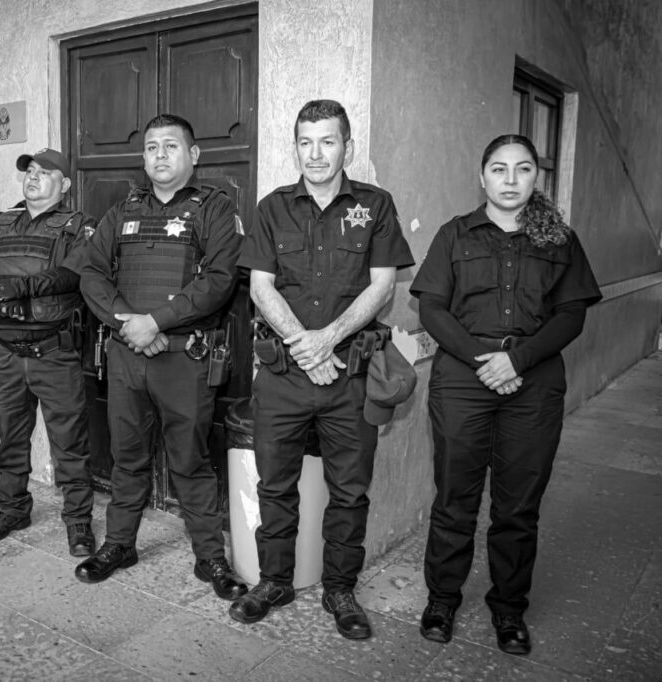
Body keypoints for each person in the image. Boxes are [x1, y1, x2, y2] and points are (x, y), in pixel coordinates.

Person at [410, 134, 601, 655]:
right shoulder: (454, 235)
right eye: (499, 169)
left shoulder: (559, 239)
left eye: (522, 169)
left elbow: (572, 314)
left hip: (533, 383)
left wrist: (517, 360)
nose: (510, 179)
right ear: (482, 177)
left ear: (536, 176)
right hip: (463, 381)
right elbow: (431, 309)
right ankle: (442, 600)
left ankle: (509, 608)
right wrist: (485, 360)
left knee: (518, 505)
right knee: (455, 498)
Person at [231, 100, 414, 638]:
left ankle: (340, 589)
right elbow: (260, 287)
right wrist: (305, 348)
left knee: (350, 491)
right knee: (275, 486)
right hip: (283, 378)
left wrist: (327, 340)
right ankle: (274, 581)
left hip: (350, 377)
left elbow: (383, 285)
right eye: (305, 142)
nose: (315, 153)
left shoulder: (375, 205)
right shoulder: (272, 208)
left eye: (327, 141)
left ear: (346, 147)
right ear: (295, 148)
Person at [76, 114, 247, 601]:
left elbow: (219, 280)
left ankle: (210, 557)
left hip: (184, 359)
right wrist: (130, 323)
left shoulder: (216, 209)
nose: (159, 155)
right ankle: (119, 545)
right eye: (151, 147)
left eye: (170, 146)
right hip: (128, 354)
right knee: (127, 458)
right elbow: (91, 273)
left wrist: (157, 321)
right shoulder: (122, 210)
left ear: (193, 155)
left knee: (190, 460)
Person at [0, 148, 97, 556]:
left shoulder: (80, 226)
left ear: (65, 184)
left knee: (69, 442)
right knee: (11, 437)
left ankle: (78, 521)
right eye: (30, 171)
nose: (33, 177)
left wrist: (20, 287)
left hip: (53, 353)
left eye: (45, 172)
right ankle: (13, 508)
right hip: (5, 353)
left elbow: (72, 274)